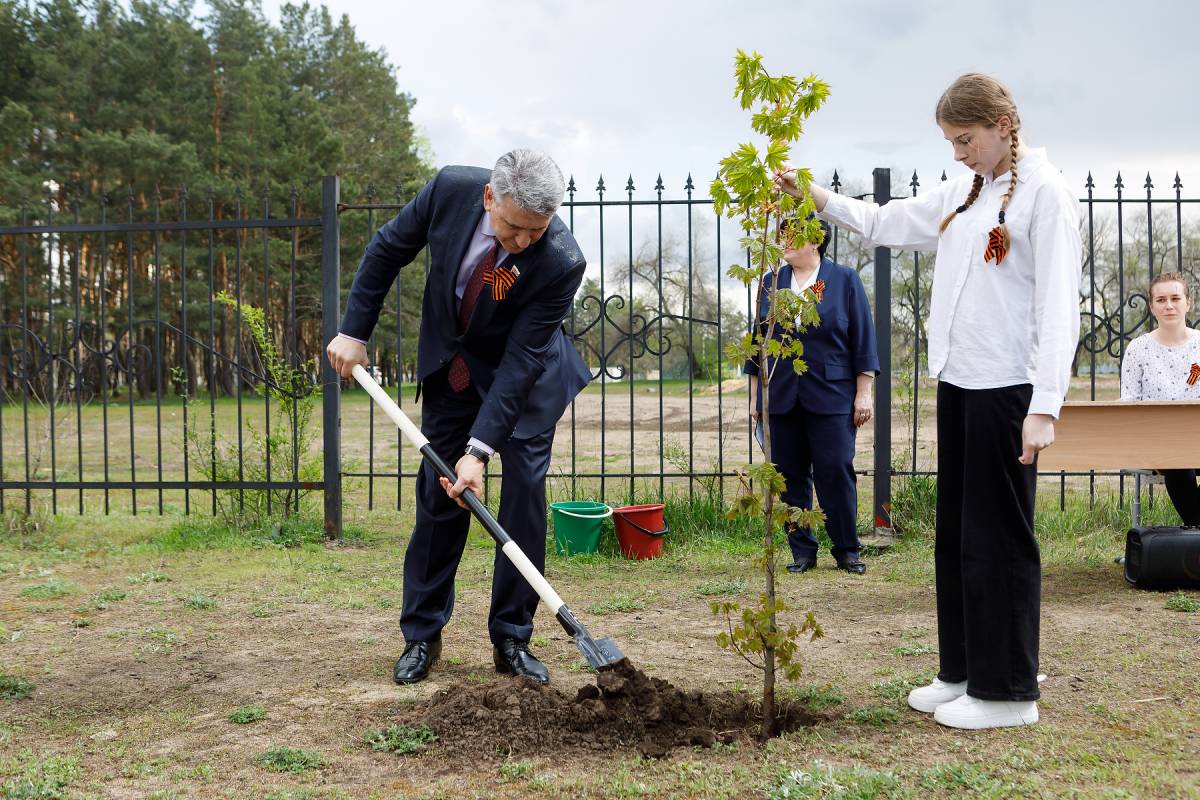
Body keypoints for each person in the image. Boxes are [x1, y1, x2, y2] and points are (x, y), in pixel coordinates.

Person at [777, 73, 1081, 729]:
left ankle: (1008, 693)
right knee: (959, 537)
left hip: (1010, 389)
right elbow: (886, 223)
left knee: (1000, 539)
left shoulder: (1045, 196)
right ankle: (964, 671)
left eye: (964, 139)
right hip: (961, 381)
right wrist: (818, 197)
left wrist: (1045, 407)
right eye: (949, 141)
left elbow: (1060, 310)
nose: (957, 152)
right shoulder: (969, 192)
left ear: (1002, 124)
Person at [326, 149, 590, 686]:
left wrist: (481, 450)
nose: (523, 242)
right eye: (514, 228)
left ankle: (512, 637)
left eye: (536, 231)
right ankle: (422, 634)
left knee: (522, 495)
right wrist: (354, 332)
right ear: (489, 197)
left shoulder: (561, 259)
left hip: (525, 381)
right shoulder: (450, 190)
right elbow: (385, 251)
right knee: (439, 494)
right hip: (454, 368)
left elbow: (521, 361)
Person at [745, 218, 880, 575]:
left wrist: (863, 392)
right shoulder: (771, 283)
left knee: (835, 470)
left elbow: (863, 339)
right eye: (782, 235)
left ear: (816, 242)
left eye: (793, 236)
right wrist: (756, 398)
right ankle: (802, 552)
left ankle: (847, 550)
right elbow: (756, 344)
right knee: (789, 476)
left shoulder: (843, 280)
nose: (785, 241)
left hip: (833, 394)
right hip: (782, 394)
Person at [1120, 272, 1200, 526]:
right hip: (1157, 441)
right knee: (1178, 464)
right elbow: (1129, 404)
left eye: (1175, 298)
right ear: (1151, 306)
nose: (1169, 305)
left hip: (1196, 435)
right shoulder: (1138, 349)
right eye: (1161, 299)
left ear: (1188, 302)